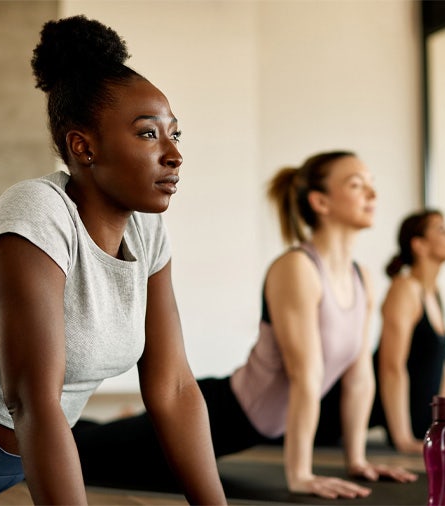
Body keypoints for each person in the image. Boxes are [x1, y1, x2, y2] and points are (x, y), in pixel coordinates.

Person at [0, 15, 226, 505]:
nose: (174, 154)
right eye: (148, 134)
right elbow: (31, 401)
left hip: (9, 466)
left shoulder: (147, 230)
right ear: (83, 146)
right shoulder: (37, 212)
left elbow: (173, 388)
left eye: (175, 134)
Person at [73, 151, 417, 500]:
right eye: (357, 185)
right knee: (85, 451)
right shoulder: (298, 268)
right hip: (220, 416)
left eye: (371, 184)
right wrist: (301, 475)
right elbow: (305, 376)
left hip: (254, 426)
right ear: (320, 202)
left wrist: (356, 460)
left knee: (103, 444)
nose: (372, 194)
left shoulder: (363, 279)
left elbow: (359, 377)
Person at [370, 209, 445, 454]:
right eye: (440, 229)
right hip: (338, 412)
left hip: (418, 420)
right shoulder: (404, 289)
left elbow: (443, 365)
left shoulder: (433, 292)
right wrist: (402, 439)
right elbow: (391, 367)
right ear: (418, 245)